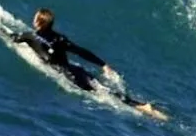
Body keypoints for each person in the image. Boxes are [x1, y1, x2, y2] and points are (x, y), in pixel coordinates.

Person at [10, 8, 166, 119]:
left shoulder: (29, 36)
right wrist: (103, 64)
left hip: (68, 75)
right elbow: (81, 51)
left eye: (35, 17)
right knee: (104, 89)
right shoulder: (60, 38)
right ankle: (142, 105)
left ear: (39, 22)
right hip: (76, 70)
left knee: (102, 95)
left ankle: (140, 107)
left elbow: (13, 38)